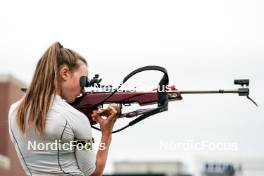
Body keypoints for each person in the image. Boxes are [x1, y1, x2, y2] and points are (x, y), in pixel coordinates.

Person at [8, 42, 119, 176]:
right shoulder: (76, 118)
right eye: (83, 80)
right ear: (65, 73)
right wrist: (106, 134)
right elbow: (93, 173)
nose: (83, 89)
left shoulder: (14, 112)